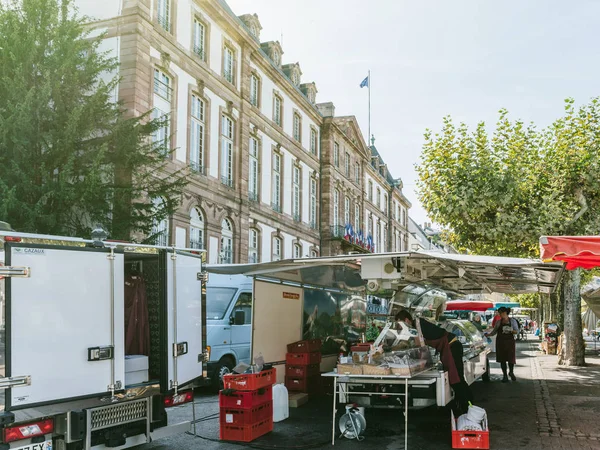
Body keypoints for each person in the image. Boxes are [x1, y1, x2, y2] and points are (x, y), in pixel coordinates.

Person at [395, 310, 473, 414]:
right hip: (449, 348)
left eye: (400, 324)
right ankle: (466, 406)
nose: (400, 327)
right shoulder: (417, 324)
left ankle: (467, 408)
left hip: (451, 347)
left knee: (456, 379)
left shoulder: (417, 325)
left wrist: (403, 346)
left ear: (406, 320)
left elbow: (418, 345)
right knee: (457, 378)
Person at [485, 307, 518, 382]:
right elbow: (494, 332)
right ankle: (505, 375)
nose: (501, 314)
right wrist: (488, 335)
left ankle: (511, 372)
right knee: (502, 359)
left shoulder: (512, 321)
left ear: (506, 313)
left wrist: (512, 331)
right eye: (500, 313)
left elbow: (517, 331)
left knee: (511, 358)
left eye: (502, 313)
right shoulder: (498, 322)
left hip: (510, 341)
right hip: (500, 342)